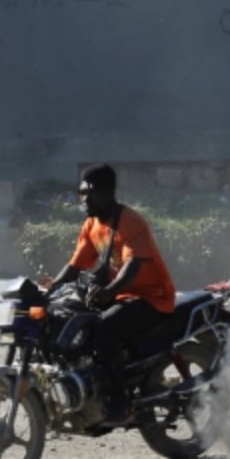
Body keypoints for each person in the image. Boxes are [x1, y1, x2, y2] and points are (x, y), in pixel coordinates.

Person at [44, 164, 177, 425]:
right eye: (80, 194)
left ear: (105, 192)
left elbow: (133, 264)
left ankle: (119, 400)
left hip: (151, 297)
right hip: (119, 296)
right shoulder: (91, 224)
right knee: (73, 319)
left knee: (105, 327)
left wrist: (108, 292)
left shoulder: (131, 221)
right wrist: (49, 290)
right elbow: (76, 265)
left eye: (87, 194)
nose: (82, 200)